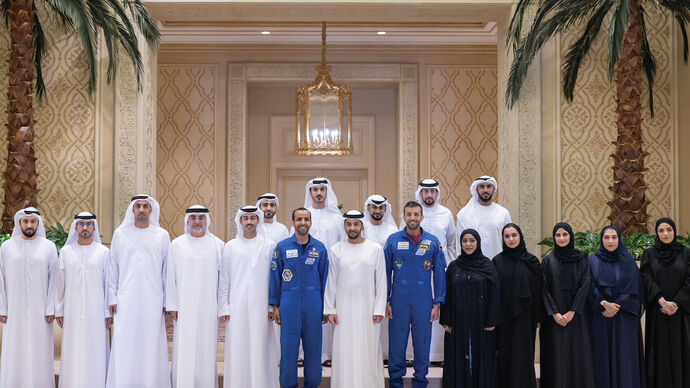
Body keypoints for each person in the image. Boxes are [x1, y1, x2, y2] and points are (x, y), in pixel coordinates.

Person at [106, 195, 171, 388]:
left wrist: (167, 300)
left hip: (153, 298)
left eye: (145, 206)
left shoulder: (162, 235)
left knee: (151, 343)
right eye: (138, 206)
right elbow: (113, 268)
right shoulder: (120, 234)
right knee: (126, 342)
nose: (141, 209)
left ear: (151, 210)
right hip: (126, 299)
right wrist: (112, 296)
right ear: (132, 210)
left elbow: (167, 270)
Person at [386, 200, 446, 388]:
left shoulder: (432, 242)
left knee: (422, 343)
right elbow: (385, 273)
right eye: (409, 214)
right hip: (398, 298)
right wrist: (386, 300)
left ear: (421, 216)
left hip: (423, 298)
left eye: (416, 214)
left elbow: (439, 274)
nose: (412, 218)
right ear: (403, 217)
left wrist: (437, 302)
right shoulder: (393, 240)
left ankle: (421, 382)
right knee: (397, 343)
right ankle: (396, 382)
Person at [324, 210, 387, 388]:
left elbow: (381, 281)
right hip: (342, 312)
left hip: (368, 311)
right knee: (344, 351)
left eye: (356, 224)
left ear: (362, 226)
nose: (352, 228)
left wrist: (379, 309)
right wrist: (330, 310)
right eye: (349, 224)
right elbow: (331, 282)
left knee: (367, 350)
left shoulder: (375, 249)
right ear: (344, 226)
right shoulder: (336, 250)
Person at [220, 206, 279, 387]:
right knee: (239, 348)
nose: (249, 222)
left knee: (261, 347)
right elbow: (224, 279)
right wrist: (224, 307)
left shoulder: (269, 245)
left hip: (262, 308)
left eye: (253, 218)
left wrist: (271, 306)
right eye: (245, 218)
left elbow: (273, 279)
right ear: (240, 221)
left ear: (258, 220)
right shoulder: (230, 246)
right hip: (237, 308)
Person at [269, 207, 329, 388]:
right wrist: (275, 306)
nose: (303, 223)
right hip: (289, 303)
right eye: (299, 219)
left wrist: (326, 307)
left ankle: (312, 384)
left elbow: (325, 278)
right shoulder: (282, 247)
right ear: (293, 222)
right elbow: (274, 277)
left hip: (314, 303)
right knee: (288, 350)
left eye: (306, 219)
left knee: (313, 349)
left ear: (310, 222)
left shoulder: (319, 248)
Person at [166, 205, 224, 388]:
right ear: (187, 221)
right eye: (193, 218)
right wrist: (172, 305)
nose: (197, 221)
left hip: (209, 306)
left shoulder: (218, 245)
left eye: (201, 218)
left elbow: (223, 280)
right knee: (184, 349)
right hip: (184, 306)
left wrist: (222, 307)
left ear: (207, 220)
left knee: (206, 349)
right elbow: (170, 277)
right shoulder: (177, 244)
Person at [0, 207, 58, 388]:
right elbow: (0, 278)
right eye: (26, 221)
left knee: (39, 351)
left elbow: (54, 279)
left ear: (38, 223)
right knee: (14, 351)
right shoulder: (6, 247)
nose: (29, 225)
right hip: (14, 311)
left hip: (41, 313)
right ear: (19, 223)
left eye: (33, 221)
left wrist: (51, 308)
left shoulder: (48, 247)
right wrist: (2, 307)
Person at [402, 179, 456, 365]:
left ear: (437, 193)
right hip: (414, 272)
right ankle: (412, 355)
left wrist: (447, 266)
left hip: (438, 271)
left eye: (432, 191)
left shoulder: (446, 213)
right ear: (420, 193)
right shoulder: (414, 214)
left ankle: (437, 356)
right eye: (425, 191)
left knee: (436, 311)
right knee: (414, 314)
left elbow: (451, 243)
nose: (429, 195)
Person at [55, 212, 111, 388]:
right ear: (76, 227)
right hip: (72, 311)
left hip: (97, 313)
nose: (85, 228)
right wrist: (59, 309)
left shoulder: (104, 252)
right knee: (73, 351)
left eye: (89, 224)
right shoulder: (66, 252)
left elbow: (108, 283)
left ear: (94, 227)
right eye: (81, 224)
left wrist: (108, 311)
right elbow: (60, 284)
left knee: (96, 351)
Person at [440, 229, 501, 388]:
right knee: (459, 356)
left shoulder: (488, 265)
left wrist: (492, 319)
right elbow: (447, 293)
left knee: (481, 356)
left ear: (478, 242)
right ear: (460, 243)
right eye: (465, 241)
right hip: (458, 319)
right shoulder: (454, 267)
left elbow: (495, 292)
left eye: (472, 240)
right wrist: (446, 319)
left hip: (481, 320)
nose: (468, 244)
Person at [588, 225, 645, 388]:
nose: (610, 241)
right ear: (601, 239)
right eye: (606, 237)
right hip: (601, 316)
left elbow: (634, 287)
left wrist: (616, 306)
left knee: (625, 358)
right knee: (601, 358)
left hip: (624, 318)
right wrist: (604, 303)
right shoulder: (591, 260)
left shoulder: (628, 261)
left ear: (619, 239)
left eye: (614, 237)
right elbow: (589, 285)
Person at [540, 222, 595, 388]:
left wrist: (572, 311)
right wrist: (555, 313)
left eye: (565, 234)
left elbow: (585, 286)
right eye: (558, 235)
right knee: (556, 358)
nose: (561, 238)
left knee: (576, 356)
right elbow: (544, 289)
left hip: (577, 319)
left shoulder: (581, 259)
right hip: (554, 321)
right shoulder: (548, 261)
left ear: (570, 236)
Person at [640, 217, 690, 388]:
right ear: (656, 233)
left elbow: (689, 280)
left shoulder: (686, 253)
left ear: (674, 231)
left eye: (669, 229)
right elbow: (646, 279)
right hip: (658, 312)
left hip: (680, 312)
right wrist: (662, 301)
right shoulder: (649, 254)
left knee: (680, 351)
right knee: (659, 352)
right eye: (661, 230)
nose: (665, 233)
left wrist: (675, 303)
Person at [492, 223, 543, 388]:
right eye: (507, 236)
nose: (511, 239)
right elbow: (494, 293)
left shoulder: (532, 261)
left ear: (520, 236)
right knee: (506, 355)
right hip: (505, 318)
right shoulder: (497, 261)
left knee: (524, 355)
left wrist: (537, 317)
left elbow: (538, 292)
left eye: (514, 235)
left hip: (526, 318)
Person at [303, 177, 341, 364]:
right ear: (310, 192)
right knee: (306, 311)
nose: (318, 193)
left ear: (327, 192)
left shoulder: (336, 218)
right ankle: (304, 354)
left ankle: (326, 355)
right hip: (306, 272)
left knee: (328, 309)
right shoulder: (303, 215)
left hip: (330, 271)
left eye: (322, 189)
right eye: (315, 189)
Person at [363, 194, 398, 361]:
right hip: (365, 279)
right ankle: (368, 354)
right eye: (374, 207)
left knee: (385, 315)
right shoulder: (361, 228)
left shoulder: (392, 230)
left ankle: (384, 354)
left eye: (380, 207)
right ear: (369, 208)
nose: (377, 210)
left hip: (388, 278)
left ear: (385, 209)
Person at [456, 176, 511, 260]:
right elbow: (459, 244)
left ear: (493, 189)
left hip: (497, 264)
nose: (485, 190)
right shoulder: (464, 214)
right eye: (482, 186)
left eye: (489, 186)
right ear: (476, 189)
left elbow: (508, 241)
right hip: (472, 265)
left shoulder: (503, 213)